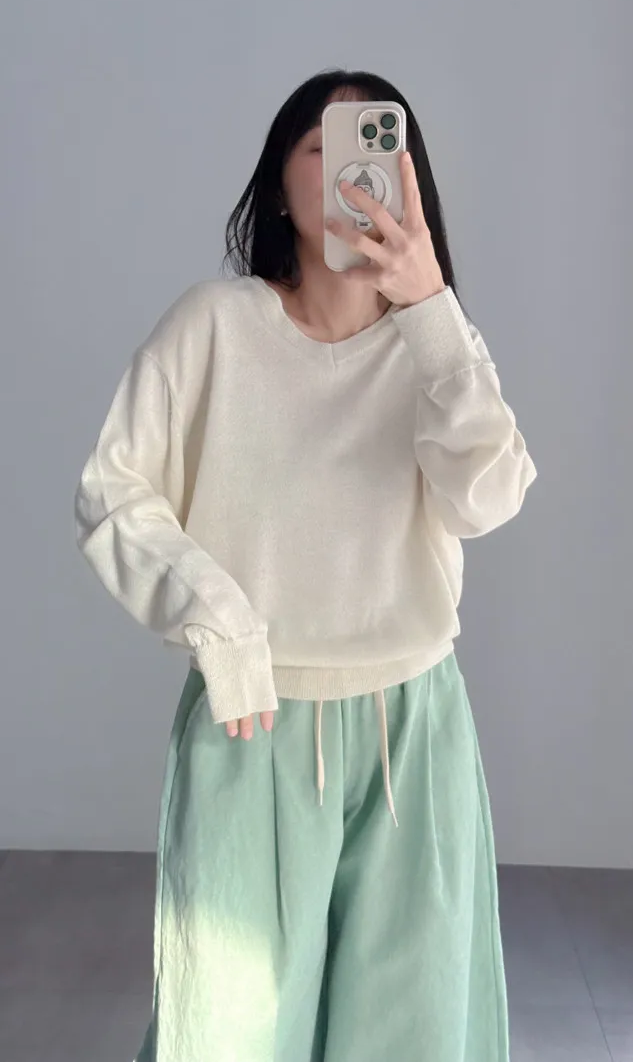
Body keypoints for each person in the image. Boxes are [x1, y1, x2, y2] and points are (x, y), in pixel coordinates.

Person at [74, 68, 537, 1062]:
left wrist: (431, 308)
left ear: (410, 182)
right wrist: (221, 623)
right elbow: (113, 490)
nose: (347, 172)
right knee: (231, 1029)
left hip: (415, 728)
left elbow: (490, 497)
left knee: (415, 1030)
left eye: (375, 147)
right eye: (321, 148)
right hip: (255, 721)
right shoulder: (214, 324)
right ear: (281, 185)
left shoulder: (435, 349)